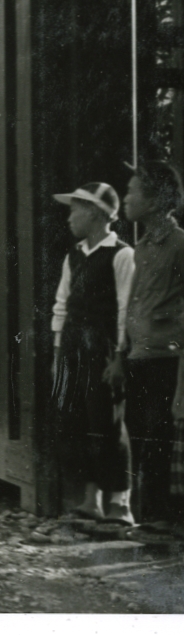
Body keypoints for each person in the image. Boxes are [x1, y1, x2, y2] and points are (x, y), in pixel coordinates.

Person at [46, 183, 134, 525]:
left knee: (108, 423)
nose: (69, 218)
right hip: (72, 348)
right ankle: (91, 499)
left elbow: (127, 308)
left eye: (75, 210)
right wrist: (58, 355)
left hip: (104, 350)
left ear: (96, 214)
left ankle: (120, 502)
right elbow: (62, 304)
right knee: (77, 422)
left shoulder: (121, 255)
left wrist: (120, 357)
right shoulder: (74, 255)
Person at [119, 161, 184, 531]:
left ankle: (166, 516)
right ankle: (151, 515)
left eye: (132, 191)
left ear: (157, 199)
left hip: (167, 356)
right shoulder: (140, 248)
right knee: (142, 433)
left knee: (161, 433)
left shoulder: (179, 244)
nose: (126, 198)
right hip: (139, 354)